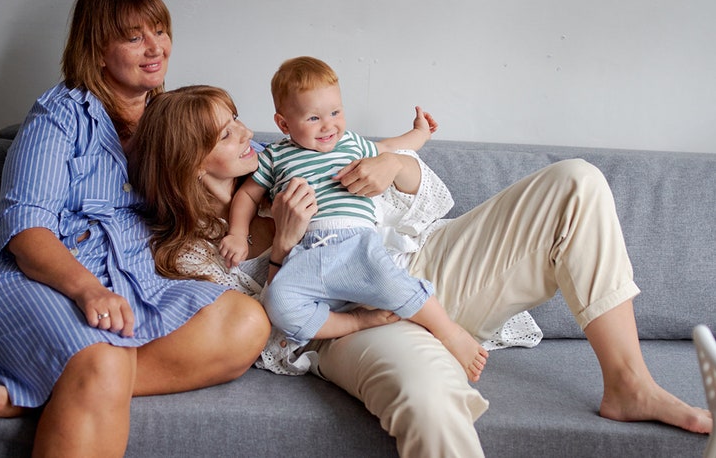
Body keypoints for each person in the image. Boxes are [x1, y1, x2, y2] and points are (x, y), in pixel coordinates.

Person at [129, 83, 712, 458]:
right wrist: (281, 248)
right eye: (224, 132)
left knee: (575, 182)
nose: (244, 132)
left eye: (237, 120)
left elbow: (429, 198)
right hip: (356, 319)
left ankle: (630, 384)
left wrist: (390, 167)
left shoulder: (294, 160)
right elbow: (275, 336)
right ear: (189, 159)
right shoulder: (191, 253)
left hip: (419, 267)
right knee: (430, 394)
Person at [0, 0, 270, 458]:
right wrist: (88, 290)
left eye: (160, 30)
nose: (155, 47)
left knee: (245, 322)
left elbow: (250, 154)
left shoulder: (171, 114)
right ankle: (78, 378)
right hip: (35, 275)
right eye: (133, 36)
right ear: (97, 50)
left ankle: (26, 397)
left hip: (129, 280)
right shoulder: (58, 117)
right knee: (102, 360)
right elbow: (26, 230)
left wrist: (381, 158)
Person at [219, 56, 488, 381]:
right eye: (314, 117)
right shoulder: (275, 156)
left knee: (396, 284)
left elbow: (393, 148)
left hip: (357, 244)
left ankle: (449, 332)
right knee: (278, 302)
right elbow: (247, 195)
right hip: (306, 254)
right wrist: (236, 233)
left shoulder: (351, 144)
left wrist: (419, 133)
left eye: (335, 112)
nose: (328, 125)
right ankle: (358, 321)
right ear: (284, 124)